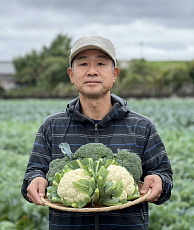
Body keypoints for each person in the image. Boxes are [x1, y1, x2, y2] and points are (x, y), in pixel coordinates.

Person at [21, 36, 173, 230]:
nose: (92, 71)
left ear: (114, 73)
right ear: (71, 75)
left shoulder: (141, 127)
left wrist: (160, 181)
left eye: (101, 63)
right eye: (83, 64)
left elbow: (165, 177)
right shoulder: (52, 127)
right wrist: (35, 181)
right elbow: (31, 175)